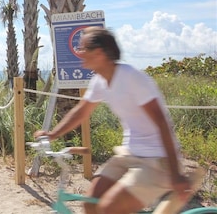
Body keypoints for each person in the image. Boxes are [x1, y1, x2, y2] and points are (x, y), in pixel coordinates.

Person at [35, 27, 191, 214]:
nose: (79, 52)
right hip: (129, 154)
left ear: (99, 53)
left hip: (156, 160)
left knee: (109, 208)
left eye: (83, 48)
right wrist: (52, 134)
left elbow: (162, 124)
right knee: (90, 203)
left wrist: (175, 173)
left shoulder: (132, 78)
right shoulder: (99, 81)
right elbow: (81, 112)